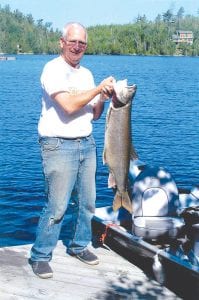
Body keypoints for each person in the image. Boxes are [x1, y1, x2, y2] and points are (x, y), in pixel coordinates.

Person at [29, 22, 114, 279]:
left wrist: (106, 97)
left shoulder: (86, 74)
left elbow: (95, 115)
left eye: (82, 43)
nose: (77, 46)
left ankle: (79, 246)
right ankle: (41, 255)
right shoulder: (52, 69)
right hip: (58, 144)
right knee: (57, 207)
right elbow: (67, 106)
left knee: (88, 203)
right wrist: (97, 89)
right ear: (62, 42)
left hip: (86, 144)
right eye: (73, 41)